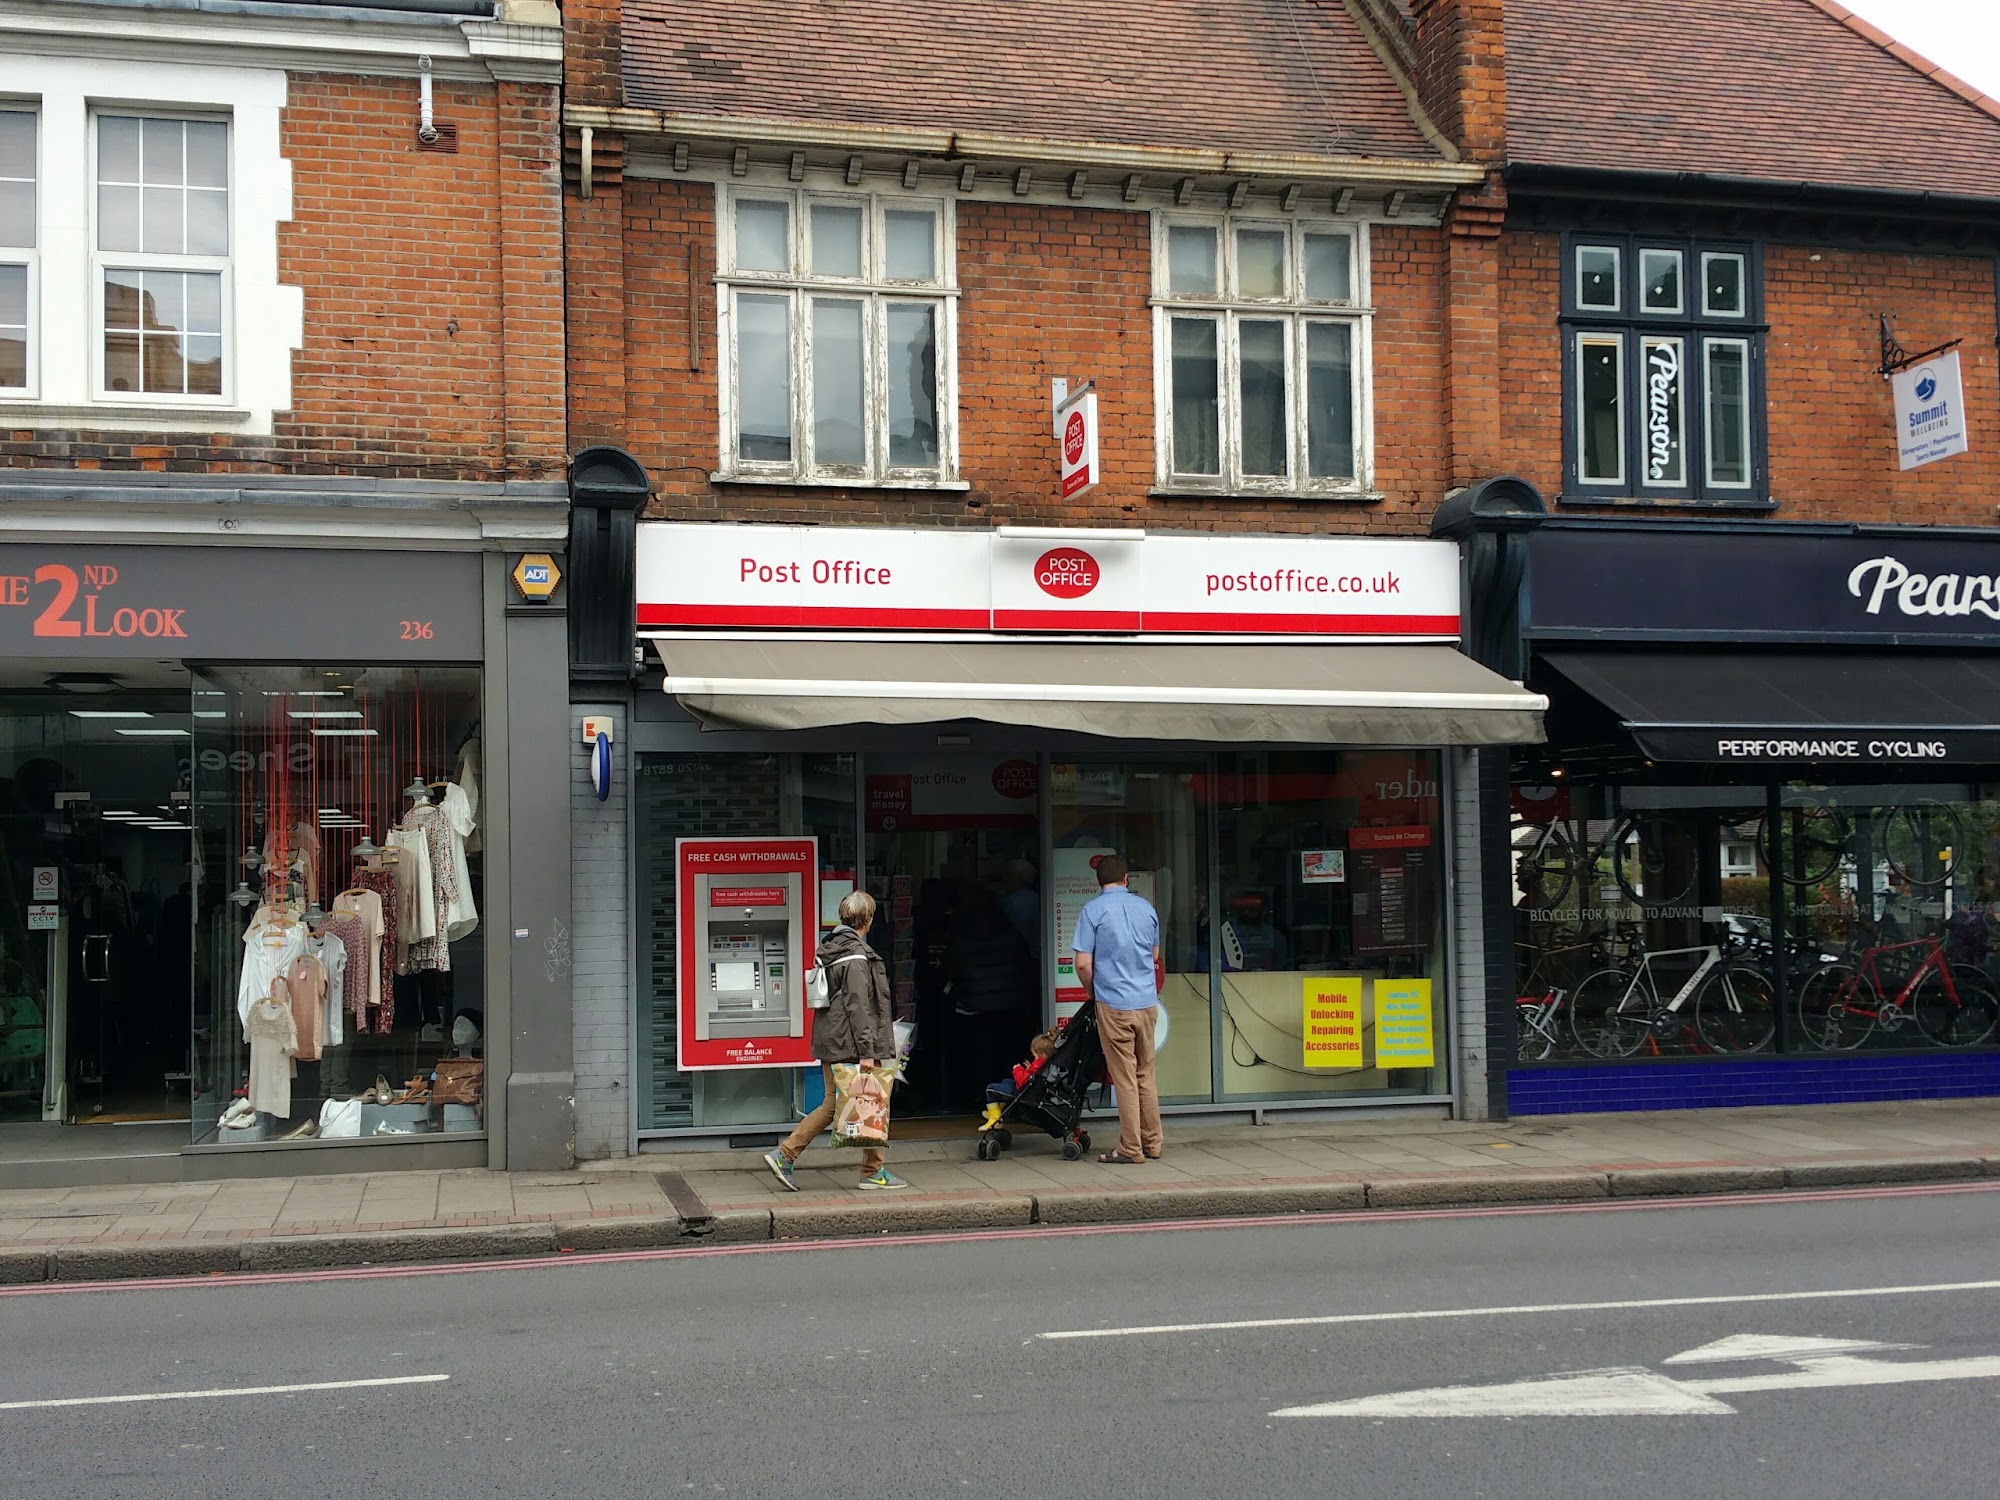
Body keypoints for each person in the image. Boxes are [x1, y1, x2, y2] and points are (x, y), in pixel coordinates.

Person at [764, 890, 907, 1192]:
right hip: (852, 1043)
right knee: (874, 1099)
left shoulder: (833, 949)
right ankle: (870, 1171)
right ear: (868, 919)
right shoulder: (855, 957)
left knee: (838, 1103)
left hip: (834, 1038)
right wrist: (868, 1052)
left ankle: (787, 1155)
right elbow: (859, 1007)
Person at [1072, 853, 1163, 1165]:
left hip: (1114, 1003)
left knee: (1123, 1077)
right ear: (1127, 879)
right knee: (1145, 1073)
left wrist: (1091, 991)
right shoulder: (1146, 909)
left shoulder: (1093, 910)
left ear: (1098, 882)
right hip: (1147, 1003)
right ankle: (1152, 1143)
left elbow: (1083, 963)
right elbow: (1154, 955)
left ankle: (1129, 1148)